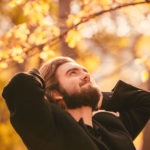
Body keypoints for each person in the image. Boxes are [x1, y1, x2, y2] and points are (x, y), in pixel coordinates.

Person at [2, 56, 150, 150]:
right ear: (56, 93)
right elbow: (21, 85)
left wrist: (101, 98)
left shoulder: (111, 127)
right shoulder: (50, 128)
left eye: (85, 72)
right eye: (72, 73)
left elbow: (145, 101)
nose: (86, 75)